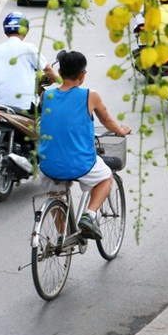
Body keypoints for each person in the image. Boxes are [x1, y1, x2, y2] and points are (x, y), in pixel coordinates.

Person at [37, 51, 131, 240]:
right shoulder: (90, 95)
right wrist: (121, 131)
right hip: (79, 164)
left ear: (60, 72)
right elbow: (107, 121)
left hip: (47, 165)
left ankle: (63, 239)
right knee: (106, 177)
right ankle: (90, 215)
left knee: (56, 195)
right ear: (82, 75)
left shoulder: (47, 96)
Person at [0, 11, 57, 171]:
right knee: (45, 117)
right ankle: (34, 153)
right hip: (24, 104)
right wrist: (55, 78)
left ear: (5, 30)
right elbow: (47, 68)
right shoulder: (29, 48)